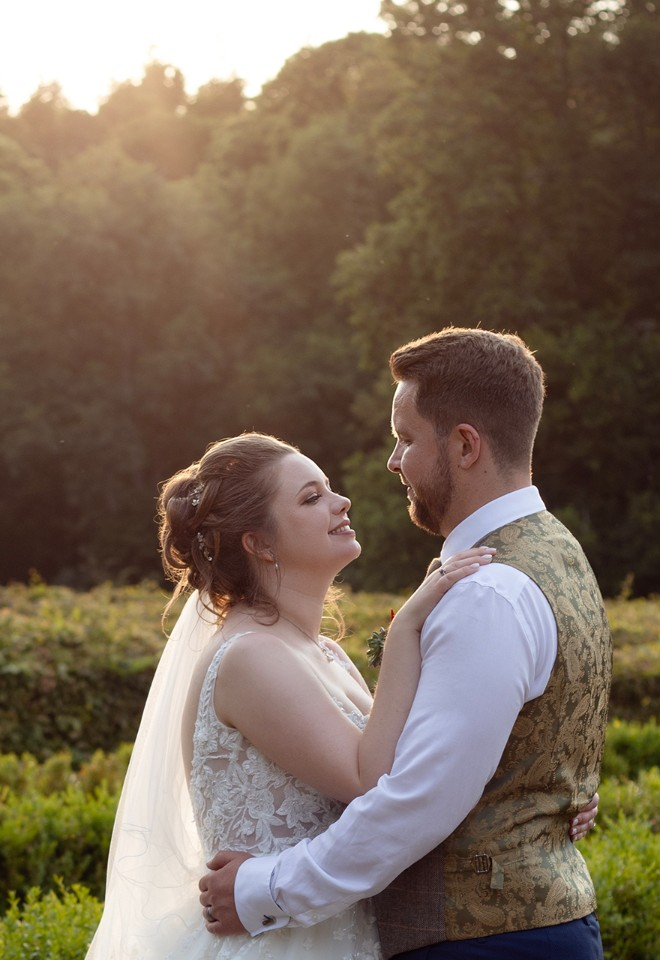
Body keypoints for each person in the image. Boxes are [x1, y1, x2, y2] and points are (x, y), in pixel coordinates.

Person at [201, 328, 611, 960]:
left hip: (484, 944)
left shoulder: (487, 592)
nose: (394, 462)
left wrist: (263, 889)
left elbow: (417, 798)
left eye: (407, 438)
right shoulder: (559, 557)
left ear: (466, 445)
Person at [85, 431, 502, 960]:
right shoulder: (249, 656)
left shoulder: (324, 651)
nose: (341, 501)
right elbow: (368, 779)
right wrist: (405, 632)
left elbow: (417, 763)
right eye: (311, 498)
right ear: (258, 543)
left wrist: (538, 791)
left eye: (328, 489)